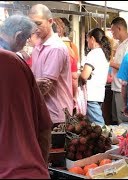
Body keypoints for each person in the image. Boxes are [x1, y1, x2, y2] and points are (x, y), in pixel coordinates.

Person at [0, 14, 52, 179]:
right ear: (18, 36)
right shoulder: (13, 62)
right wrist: (41, 166)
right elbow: (44, 127)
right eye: (26, 39)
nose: (25, 45)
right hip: (23, 171)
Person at [29, 4, 73, 126]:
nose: (35, 28)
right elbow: (37, 82)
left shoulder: (55, 48)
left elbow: (44, 87)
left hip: (56, 115)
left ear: (50, 21)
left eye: (38, 24)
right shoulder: (38, 46)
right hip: (44, 112)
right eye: (32, 24)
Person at [80, 28, 111, 126]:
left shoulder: (93, 53)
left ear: (92, 39)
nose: (87, 42)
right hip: (99, 94)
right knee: (93, 126)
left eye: (87, 40)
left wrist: (78, 74)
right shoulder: (104, 53)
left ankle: (107, 139)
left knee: (98, 124)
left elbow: (85, 75)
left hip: (91, 94)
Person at [110, 17, 128, 124]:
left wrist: (110, 63)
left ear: (119, 28)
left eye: (113, 30)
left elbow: (127, 67)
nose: (112, 33)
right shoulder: (121, 44)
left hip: (124, 89)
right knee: (117, 119)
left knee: (123, 122)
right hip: (117, 87)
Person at [54, 17, 79, 103]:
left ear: (61, 29)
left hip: (58, 91)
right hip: (69, 89)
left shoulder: (57, 47)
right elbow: (74, 75)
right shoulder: (73, 46)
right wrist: (75, 95)